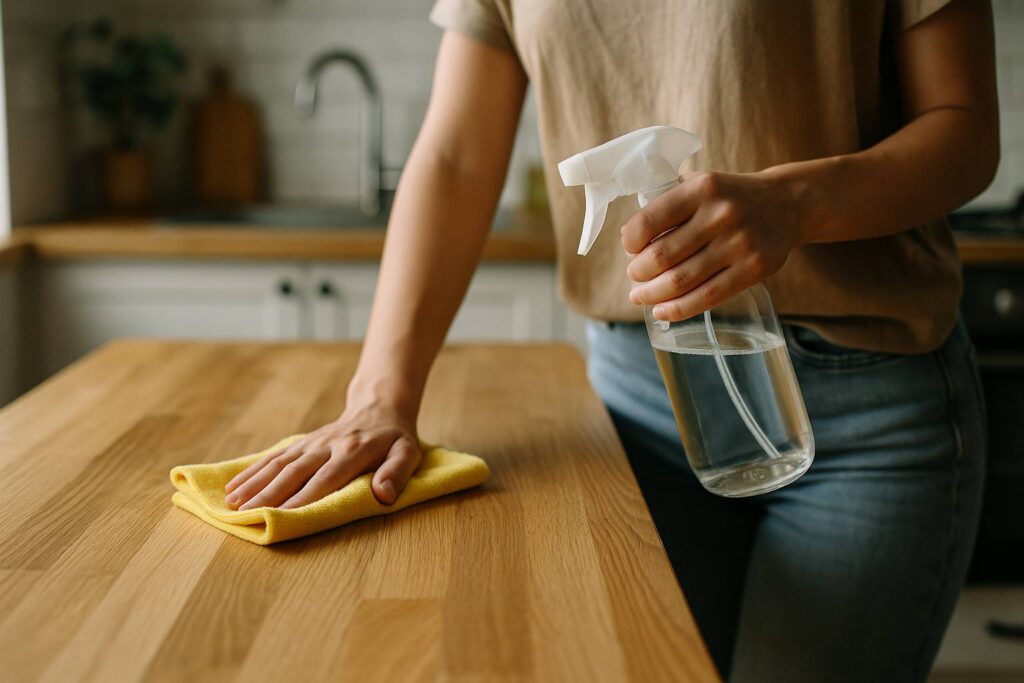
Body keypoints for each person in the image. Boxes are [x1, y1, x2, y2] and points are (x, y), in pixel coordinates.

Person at [222, 1, 997, 680]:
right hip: (635, 412)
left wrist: (795, 203)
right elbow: (455, 155)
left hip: (867, 421)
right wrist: (380, 397)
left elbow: (964, 128)